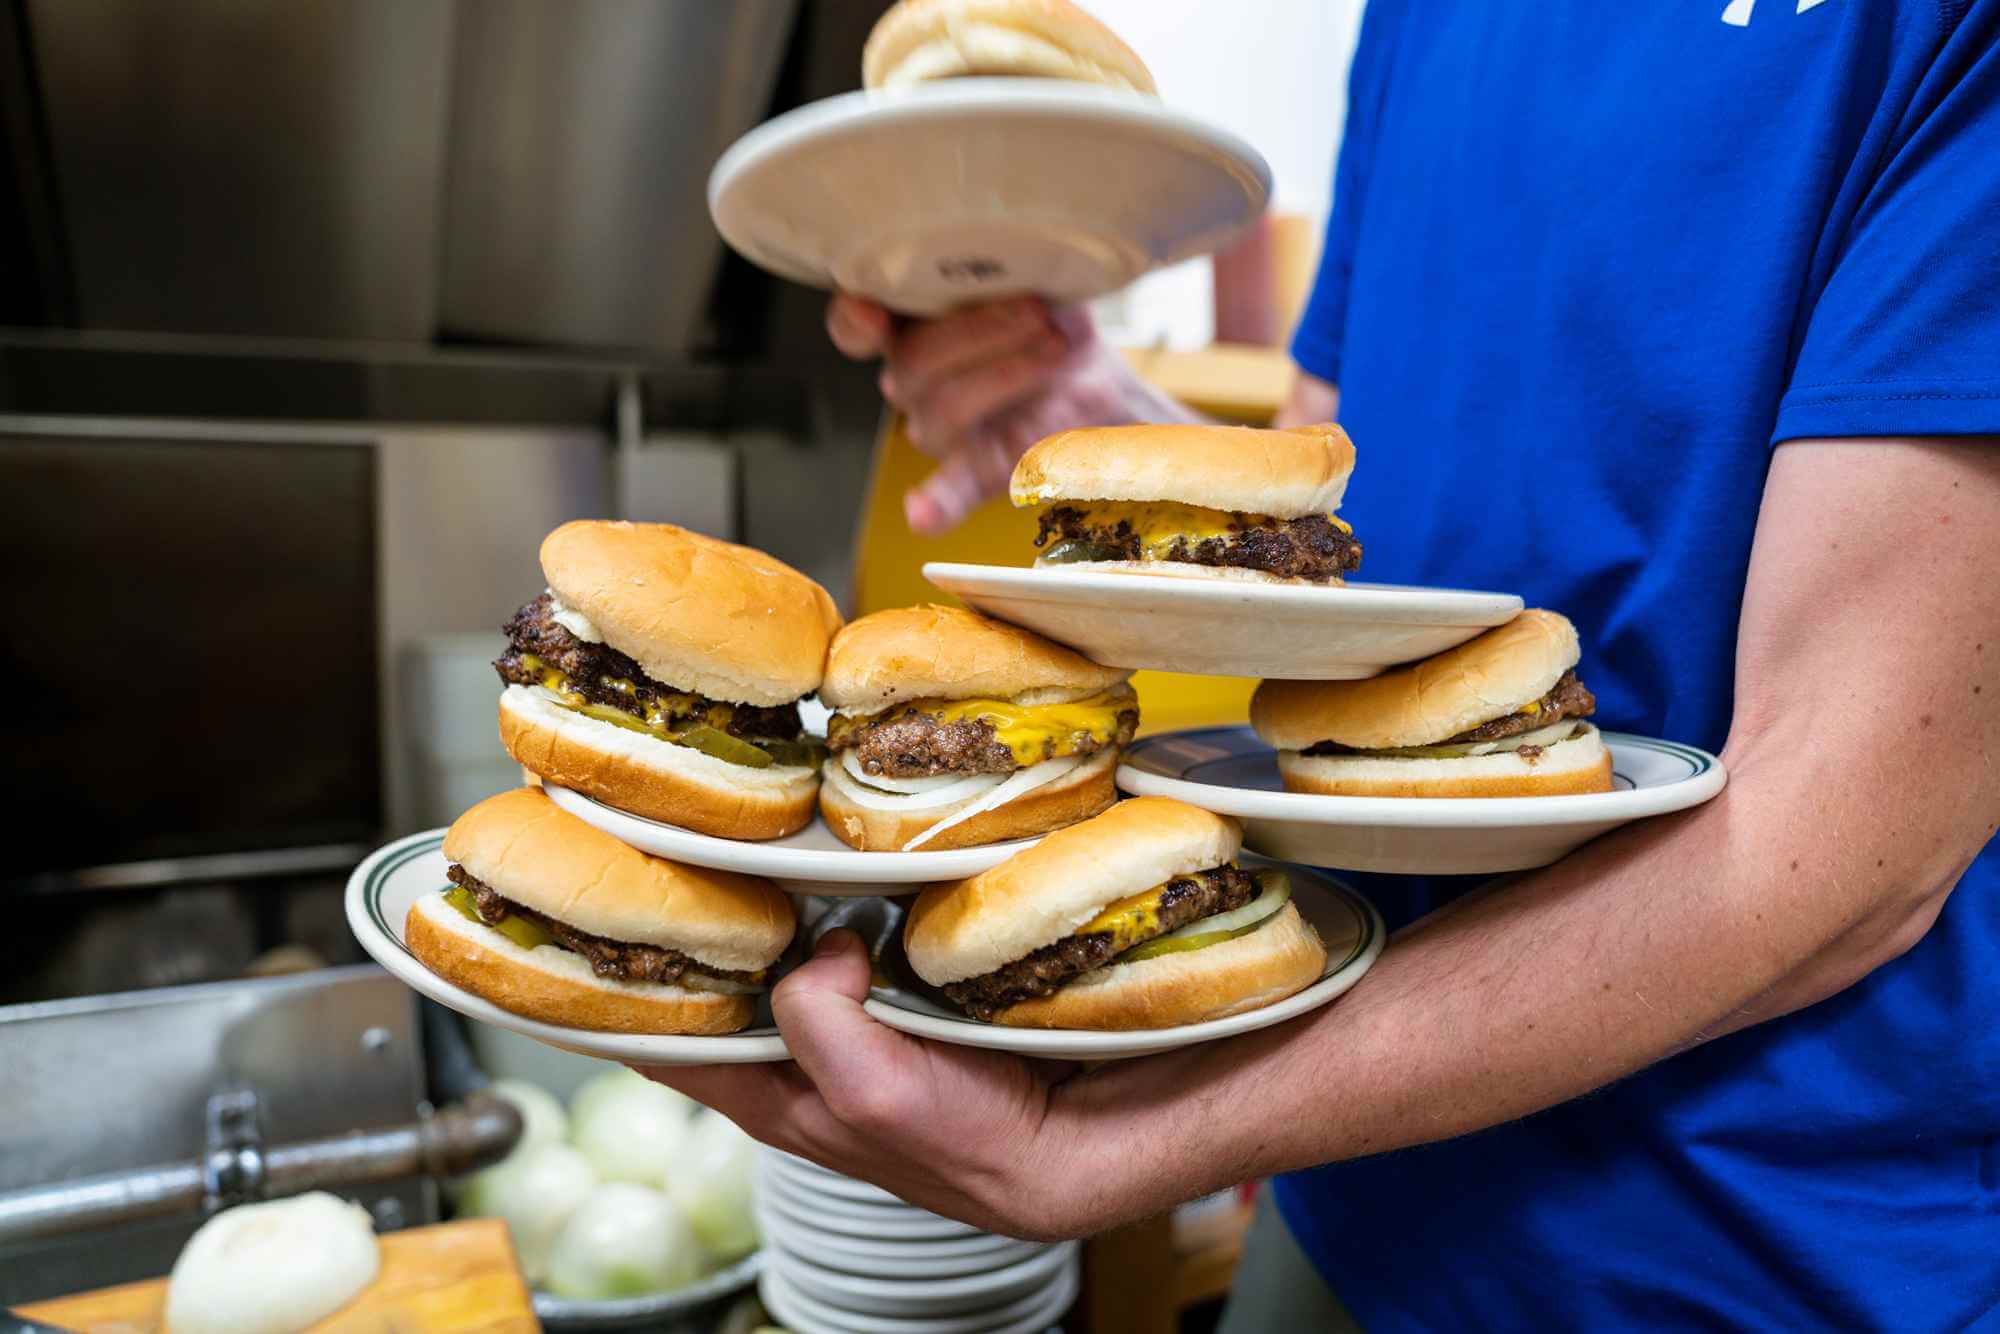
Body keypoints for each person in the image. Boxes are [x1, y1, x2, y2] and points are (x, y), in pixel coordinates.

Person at [651, 3, 2000, 1327]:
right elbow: (1343, 511)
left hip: (1749, 1253)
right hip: (1344, 1178)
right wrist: (1134, 452)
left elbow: (1849, 835)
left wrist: (1121, 1145)